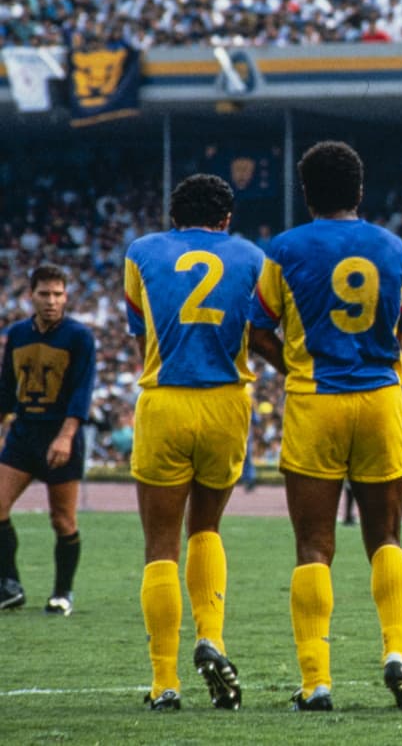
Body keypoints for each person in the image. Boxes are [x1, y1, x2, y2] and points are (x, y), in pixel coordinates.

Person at [248, 140, 402, 712]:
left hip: (316, 400)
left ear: (306, 193)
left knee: (314, 546)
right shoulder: (393, 247)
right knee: (387, 538)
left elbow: (257, 331)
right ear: (359, 189)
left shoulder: (284, 249)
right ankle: (399, 653)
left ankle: (316, 683)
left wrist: (294, 365)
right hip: (379, 400)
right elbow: (400, 325)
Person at [123, 174, 264, 711]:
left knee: (160, 546)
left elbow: (142, 331)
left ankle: (165, 684)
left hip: (165, 401)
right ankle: (213, 639)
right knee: (206, 528)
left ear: (174, 216)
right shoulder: (252, 256)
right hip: (228, 402)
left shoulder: (142, 252)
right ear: (226, 219)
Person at [0, 265, 95, 617]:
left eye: (58, 294)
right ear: (31, 295)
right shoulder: (18, 334)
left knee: (62, 520)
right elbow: (6, 391)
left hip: (60, 434)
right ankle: (10, 585)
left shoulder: (79, 337)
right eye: (44, 294)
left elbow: (81, 393)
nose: (51, 301)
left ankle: (62, 592)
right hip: (24, 433)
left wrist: (66, 437)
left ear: (66, 297)